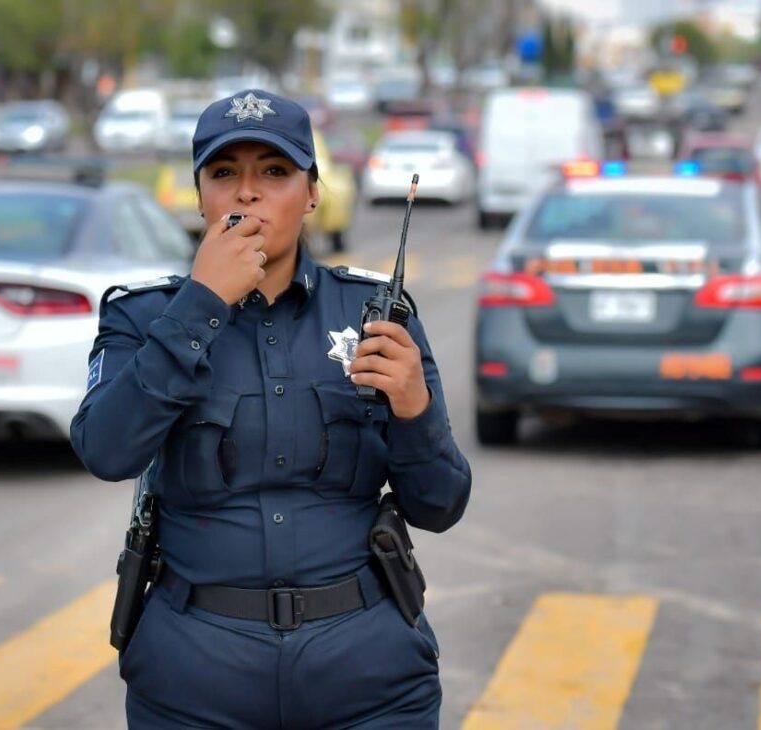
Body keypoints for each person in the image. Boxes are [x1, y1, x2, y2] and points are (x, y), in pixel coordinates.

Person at [71, 89, 472, 729]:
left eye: (275, 172)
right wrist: (202, 303)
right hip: (195, 682)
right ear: (200, 195)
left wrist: (414, 407)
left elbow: (441, 504)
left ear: (312, 192)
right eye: (225, 173)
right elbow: (105, 450)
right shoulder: (143, 317)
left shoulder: (374, 315)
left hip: (368, 680)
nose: (248, 194)